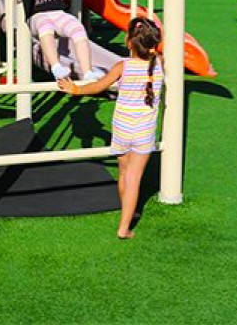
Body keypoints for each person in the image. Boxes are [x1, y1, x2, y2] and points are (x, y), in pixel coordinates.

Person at [58, 18, 164, 239]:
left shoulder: (122, 66)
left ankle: (127, 211)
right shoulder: (159, 64)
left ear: (129, 42)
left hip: (122, 128)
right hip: (144, 131)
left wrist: (74, 89)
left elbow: (98, 86)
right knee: (134, 178)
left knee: (124, 173)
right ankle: (124, 227)